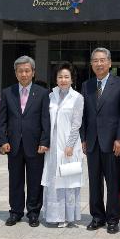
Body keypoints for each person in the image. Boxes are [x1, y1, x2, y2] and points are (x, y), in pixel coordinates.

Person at [80, 47, 120, 233]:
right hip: (92, 143)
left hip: (113, 143)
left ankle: (112, 219)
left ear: (109, 63)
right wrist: (83, 138)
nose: (99, 64)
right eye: (95, 60)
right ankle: (97, 217)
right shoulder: (86, 85)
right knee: (94, 182)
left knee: (112, 182)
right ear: (91, 64)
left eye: (102, 60)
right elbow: (83, 115)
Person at [0, 55, 51, 227]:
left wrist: (44, 141)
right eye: (20, 71)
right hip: (13, 145)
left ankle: (33, 213)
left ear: (33, 72)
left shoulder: (42, 93)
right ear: (15, 73)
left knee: (35, 180)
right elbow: (2, 120)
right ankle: (15, 212)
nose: (24, 74)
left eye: (27, 71)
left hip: (35, 146)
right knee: (15, 180)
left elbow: (46, 120)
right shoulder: (7, 92)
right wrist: (2, 140)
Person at [41, 62, 84, 228]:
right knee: (53, 179)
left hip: (68, 146)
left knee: (67, 179)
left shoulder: (77, 98)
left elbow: (76, 124)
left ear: (72, 79)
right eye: (60, 77)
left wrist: (70, 145)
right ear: (56, 79)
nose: (63, 80)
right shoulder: (51, 96)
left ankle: (67, 216)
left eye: (66, 77)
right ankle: (53, 215)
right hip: (52, 145)